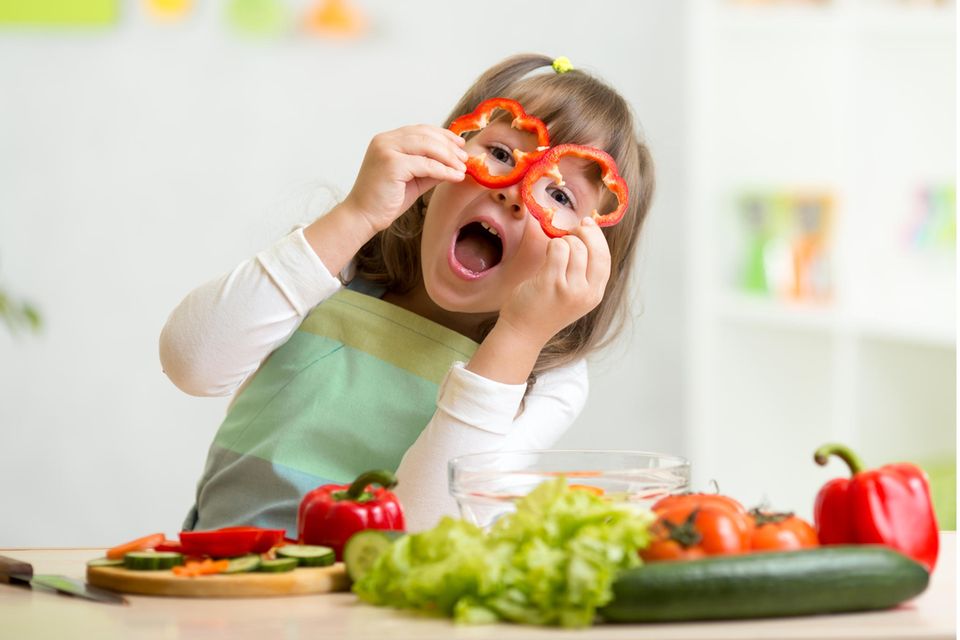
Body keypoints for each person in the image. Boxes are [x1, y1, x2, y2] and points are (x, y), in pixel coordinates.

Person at [159, 53, 656, 534]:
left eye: (560, 195)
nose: (514, 191)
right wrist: (355, 214)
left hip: (370, 614)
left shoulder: (550, 377)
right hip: (215, 580)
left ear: (590, 255)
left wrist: (520, 336)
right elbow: (191, 364)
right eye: (501, 153)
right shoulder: (339, 261)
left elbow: (426, 527)